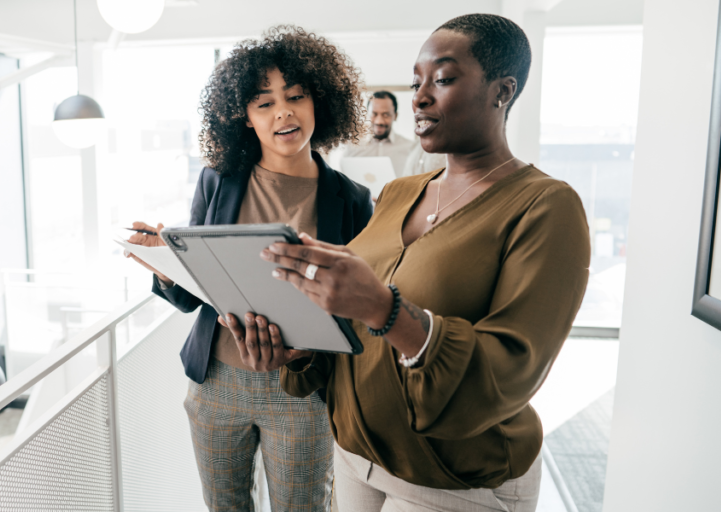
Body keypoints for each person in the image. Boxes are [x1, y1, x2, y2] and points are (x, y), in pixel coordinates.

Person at [224, 14, 591, 512]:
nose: (419, 97)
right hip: (357, 457)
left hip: (449, 477)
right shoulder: (399, 193)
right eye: (417, 81)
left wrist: (386, 309)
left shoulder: (546, 206)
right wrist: (300, 354)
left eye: (442, 79)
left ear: (502, 91)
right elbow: (354, 333)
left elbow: (509, 371)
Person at [124, 25, 373, 512]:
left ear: (318, 103)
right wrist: (164, 264)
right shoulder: (218, 181)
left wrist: (305, 353)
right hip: (216, 381)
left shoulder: (351, 200)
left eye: (296, 96)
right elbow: (195, 293)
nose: (283, 110)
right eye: (264, 103)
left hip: (302, 391)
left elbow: (361, 308)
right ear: (245, 118)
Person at [341, 91, 419, 177]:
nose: (379, 121)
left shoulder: (411, 148)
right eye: (374, 114)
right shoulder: (352, 147)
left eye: (386, 115)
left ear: (395, 116)